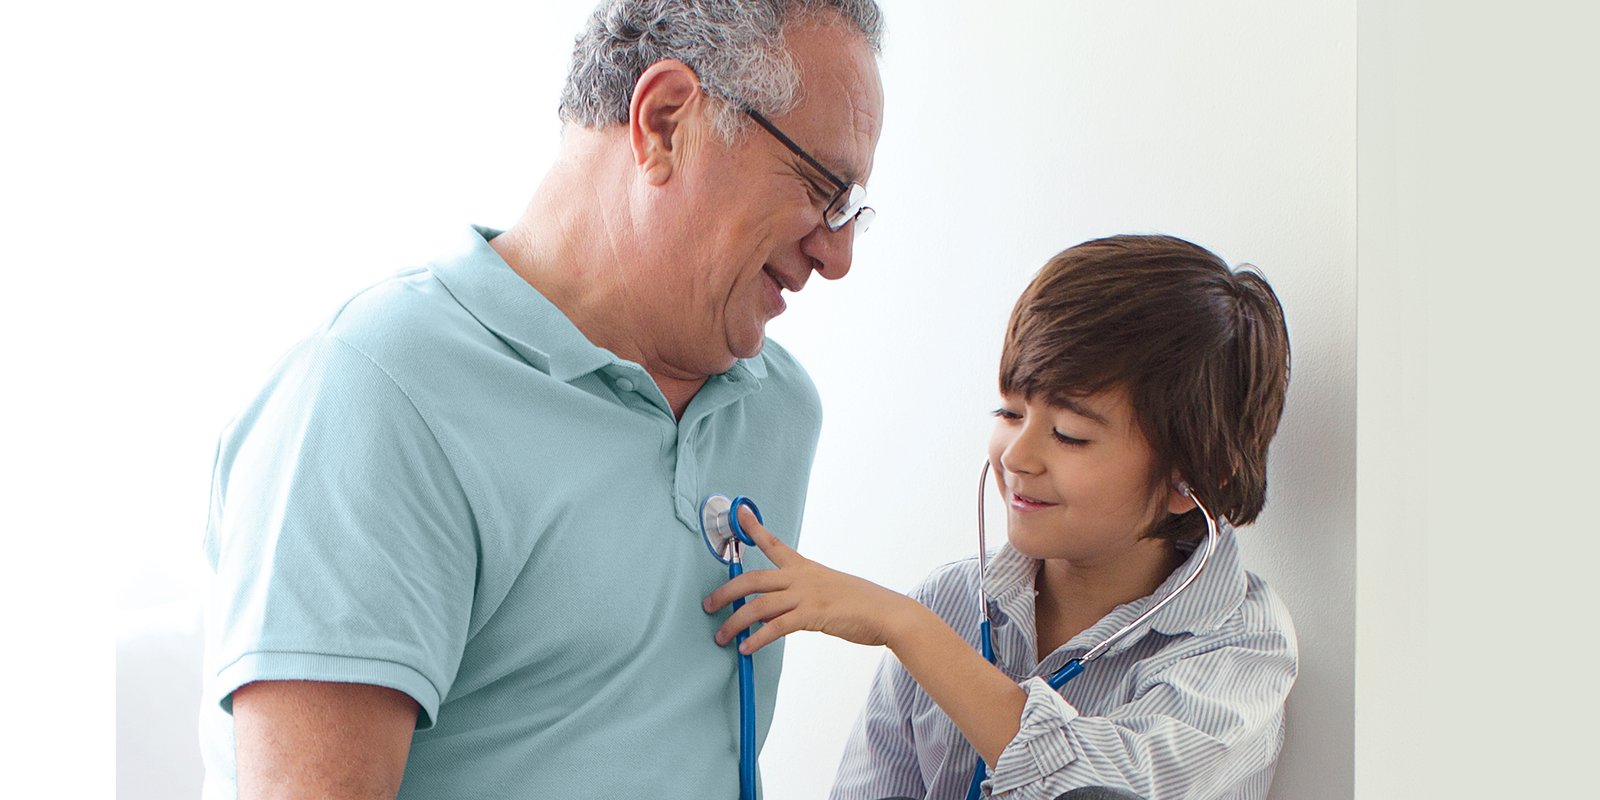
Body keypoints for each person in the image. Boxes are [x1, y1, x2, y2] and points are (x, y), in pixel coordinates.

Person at [200, 1, 885, 798]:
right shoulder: (376, 396)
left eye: (851, 213)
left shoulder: (776, 411)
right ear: (664, 121)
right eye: (821, 188)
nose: (835, 256)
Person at [703, 235, 1296, 800]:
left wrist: (910, 631)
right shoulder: (950, 602)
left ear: (1187, 478)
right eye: (1010, 412)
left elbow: (1104, 791)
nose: (1016, 455)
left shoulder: (1243, 649)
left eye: (1069, 435)